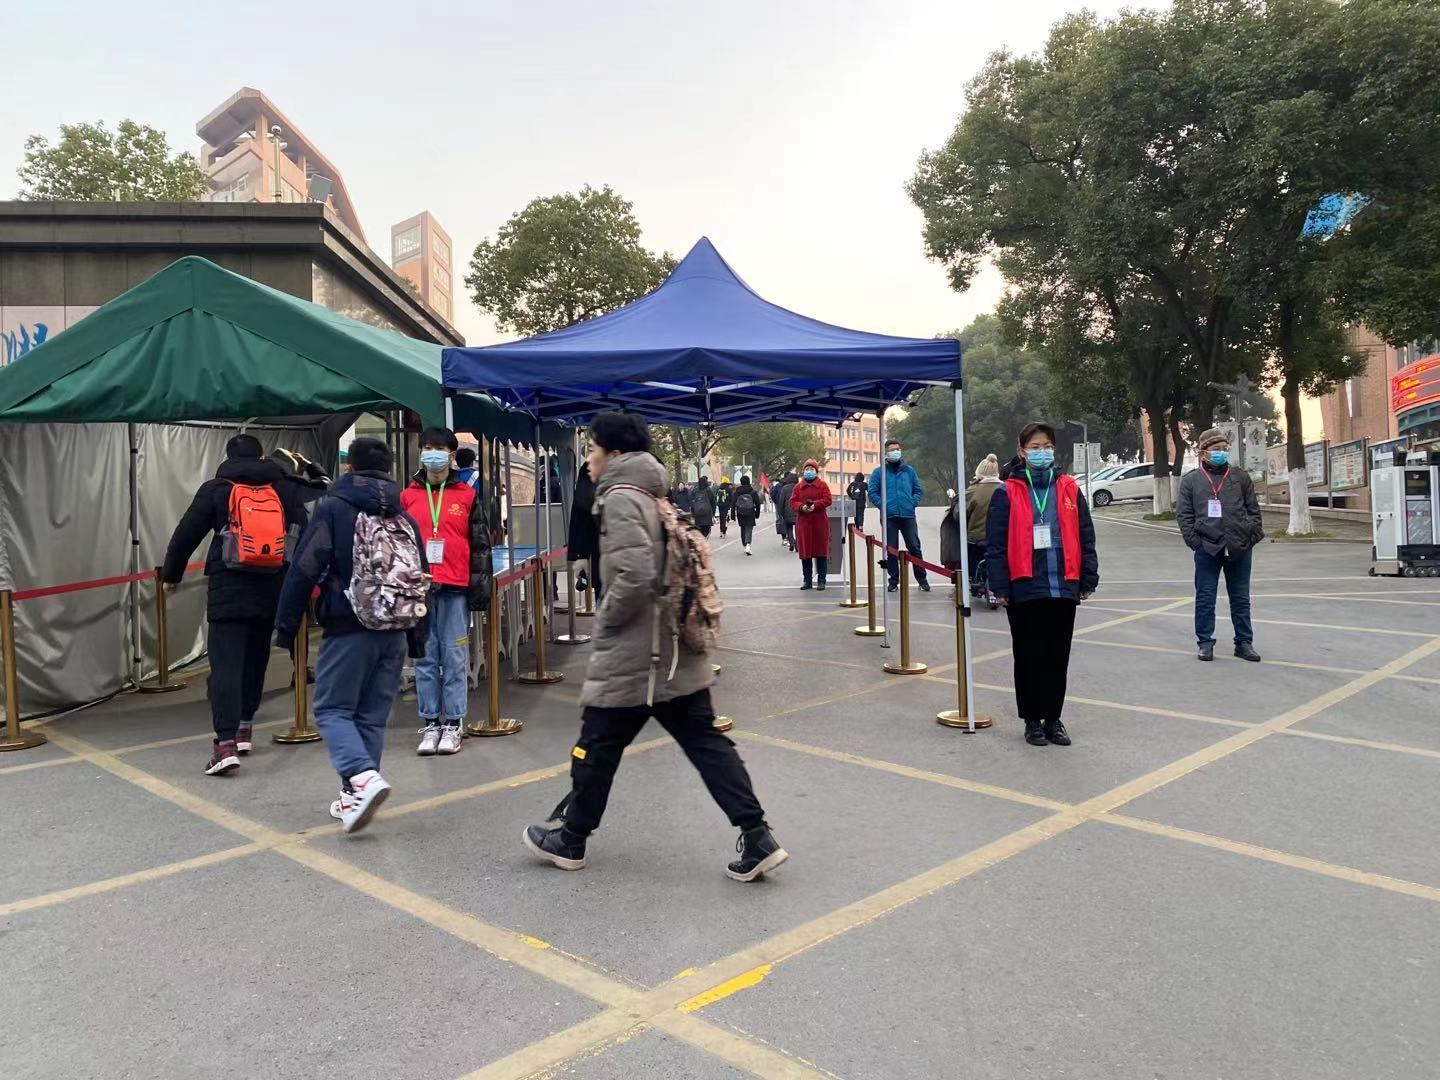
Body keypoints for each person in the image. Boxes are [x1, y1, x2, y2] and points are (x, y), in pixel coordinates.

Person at [522, 411, 786, 882]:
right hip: (673, 651)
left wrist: (606, 622)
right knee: (705, 743)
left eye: (592, 450)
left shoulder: (621, 499)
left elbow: (634, 575)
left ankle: (572, 837)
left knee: (597, 744)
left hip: (639, 657)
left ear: (614, 454)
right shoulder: (652, 494)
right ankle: (757, 835)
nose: (588, 460)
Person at [274, 437, 428, 834]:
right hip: (396, 629)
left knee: (331, 709)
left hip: (349, 626)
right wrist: (417, 638)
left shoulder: (334, 509)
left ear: (349, 468)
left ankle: (361, 777)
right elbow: (419, 576)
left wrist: (285, 627)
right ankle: (353, 797)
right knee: (371, 717)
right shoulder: (404, 517)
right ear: (389, 469)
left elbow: (304, 569)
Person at [161, 434, 309, 776]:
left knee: (226, 664)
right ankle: (244, 728)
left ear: (229, 456)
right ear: (261, 457)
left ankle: (225, 743)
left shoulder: (217, 489)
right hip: (270, 585)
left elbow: (186, 534)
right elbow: (304, 531)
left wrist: (172, 574)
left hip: (228, 587)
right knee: (256, 658)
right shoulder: (283, 488)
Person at [985, 422, 1099, 747]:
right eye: (1035, 447)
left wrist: (1088, 576)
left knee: (1057, 656)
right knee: (1028, 656)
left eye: (1047, 446)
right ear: (1022, 451)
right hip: (1024, 586)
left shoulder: (1069, 488)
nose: (1042, 452)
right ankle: (1032, 720)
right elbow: (995, 544)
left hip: (1063, 585)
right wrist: (1000, 586)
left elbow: (1086, 535)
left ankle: (1053, 718)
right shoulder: (1006, 492)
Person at [399, 427, 493, 756]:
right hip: (421, 587)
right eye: (426, 447)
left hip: (455, 586)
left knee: (453, 656)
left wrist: (480, 590)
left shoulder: (467, 495)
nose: (431, 453)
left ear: (452, 455)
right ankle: (430, 723)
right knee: (425, 657)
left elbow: (480, 546)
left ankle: (453, 723)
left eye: (438, 448)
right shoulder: (408, 495)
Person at [1177, 428, 1264, 663]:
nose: (1222, 453)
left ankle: (1244, 643)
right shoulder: (1191, 481)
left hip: (1239, 547)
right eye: (1217, 449)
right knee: (1205, 598)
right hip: (1207, 548)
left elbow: (1253, 511)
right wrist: (1196, 543)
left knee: (1241, 598)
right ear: (1203, 452)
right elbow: (1184, 516)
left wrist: (1250, 536)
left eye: (1225, 449)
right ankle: (1205, 643)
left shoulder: (1240, 477)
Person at [869, 439, 930, 592]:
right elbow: (872, 492)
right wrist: (884, 506)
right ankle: (893, 581)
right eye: (892, 450)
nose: (896, 452)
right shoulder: (879, 472)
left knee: (914, 547)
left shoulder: (909, 471)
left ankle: (922, 579)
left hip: (908, 515)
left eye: (897, 449)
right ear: (886, 453)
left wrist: (912, 502)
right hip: (889, 517)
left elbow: (917, 490)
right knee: (891, 549)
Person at [789, 459, 833, 589]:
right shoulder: (798, 487)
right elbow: (792, 502)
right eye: (807, 469)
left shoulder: (822, 485)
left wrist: (815, 505)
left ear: (816, 471)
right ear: (803, 471)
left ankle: (821, 580)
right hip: (803, 524)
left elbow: (828, 499)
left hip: (820, 523)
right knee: (805, 554)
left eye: (812, 469)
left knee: (821, 554)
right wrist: (801, 507)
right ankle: (807, 580)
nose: (809, 471)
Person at [965, 454, 1002, 589]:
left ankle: (971, 578)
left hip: (977, 538)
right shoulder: (1006, 488)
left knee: (969, 553)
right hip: (1002, 538)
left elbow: (961, 514)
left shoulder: (973, 490)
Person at [568, 460, 601, 600]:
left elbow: (581, 514)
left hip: (605, 556)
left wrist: (580, 554)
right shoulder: (652, 464)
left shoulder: (594, 466)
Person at [732, 475, 761, 554]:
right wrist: (757, 514)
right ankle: (748, 544)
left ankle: (744, 544)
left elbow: (733, 503)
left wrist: (732, 515)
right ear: (749, 482)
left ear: (741, 482)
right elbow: (757, 503)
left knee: (743, 528)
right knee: (749, 528)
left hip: (740, 512)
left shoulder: (737, 492)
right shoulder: (752, 492)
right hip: (750, 512)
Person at [776, 471, 798, 551]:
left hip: (787, 512)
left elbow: (781, 501)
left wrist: (780, 513)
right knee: (798, 530)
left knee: (789, 528)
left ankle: (791, 542)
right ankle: (798, 545)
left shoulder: (785, 488)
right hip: (798, 511)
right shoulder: (799, 487)